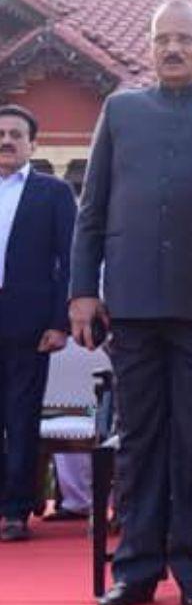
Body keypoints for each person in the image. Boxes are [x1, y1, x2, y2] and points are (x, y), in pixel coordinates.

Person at [70, 0, 192, 605]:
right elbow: (93, 209)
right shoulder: (122, 111)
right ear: (150, 46)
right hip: (131, 305)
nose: (173, 49)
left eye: (185, 39)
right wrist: (83, 290)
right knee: (138, 440)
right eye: (163, 40)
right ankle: (135, 568)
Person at [0, 104, 76, 542]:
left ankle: (16, 509)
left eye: (16, 134)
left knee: (21, 417)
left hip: (29, 325)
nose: (6, 141)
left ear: (32, 143)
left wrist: (60, 321)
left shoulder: (53, 193)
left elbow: (68, 261)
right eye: (1, 133)